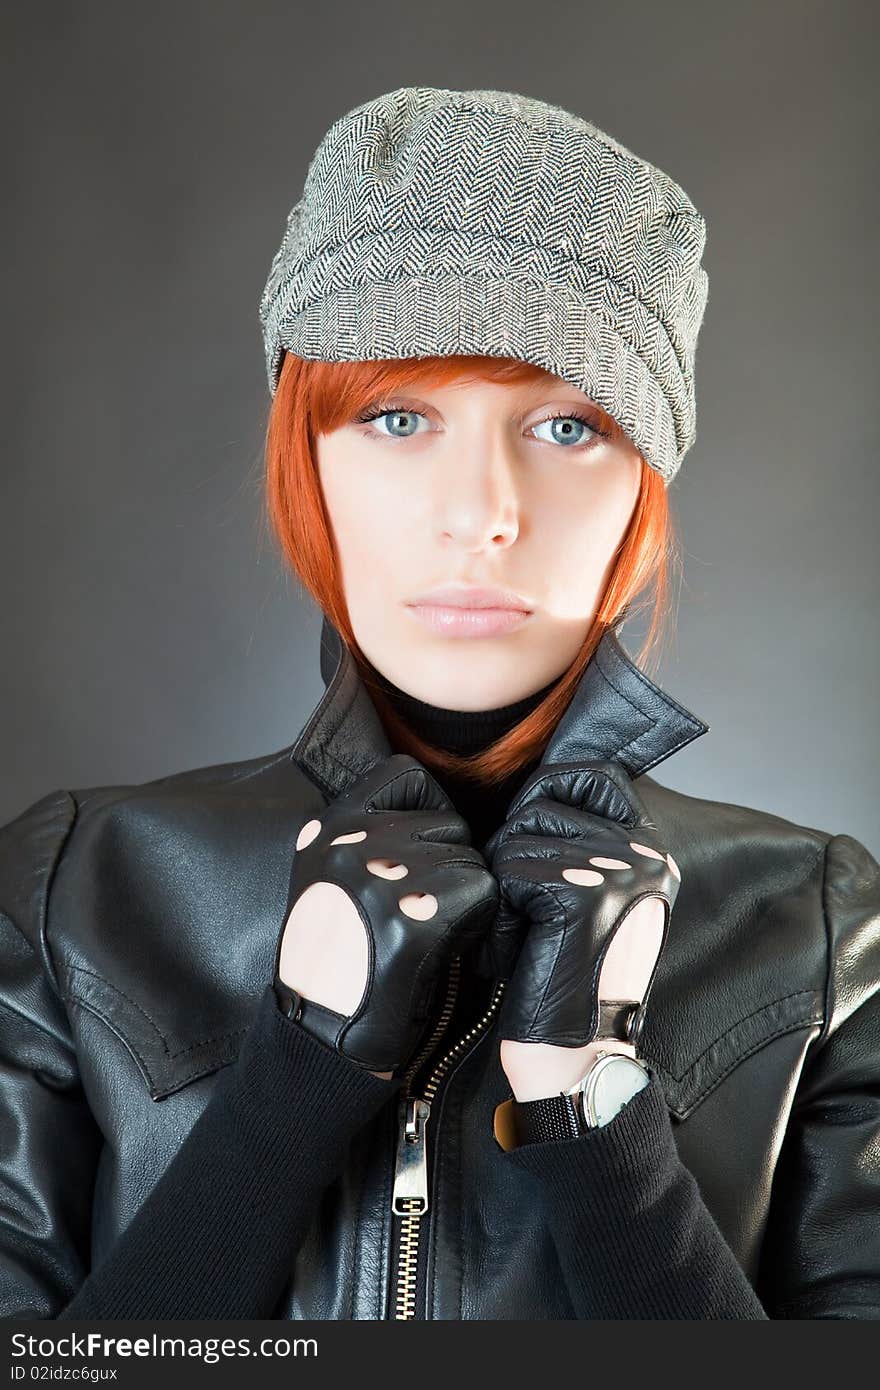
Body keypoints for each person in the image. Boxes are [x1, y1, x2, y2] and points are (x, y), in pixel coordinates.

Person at [1, 86, 878, 1322]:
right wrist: (294, 1078)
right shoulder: (69, 896)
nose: (480, 510)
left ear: (646, 480)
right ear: (304, 454)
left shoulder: (826, 938)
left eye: (568, 424)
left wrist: (590, 1116)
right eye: (398, 417)